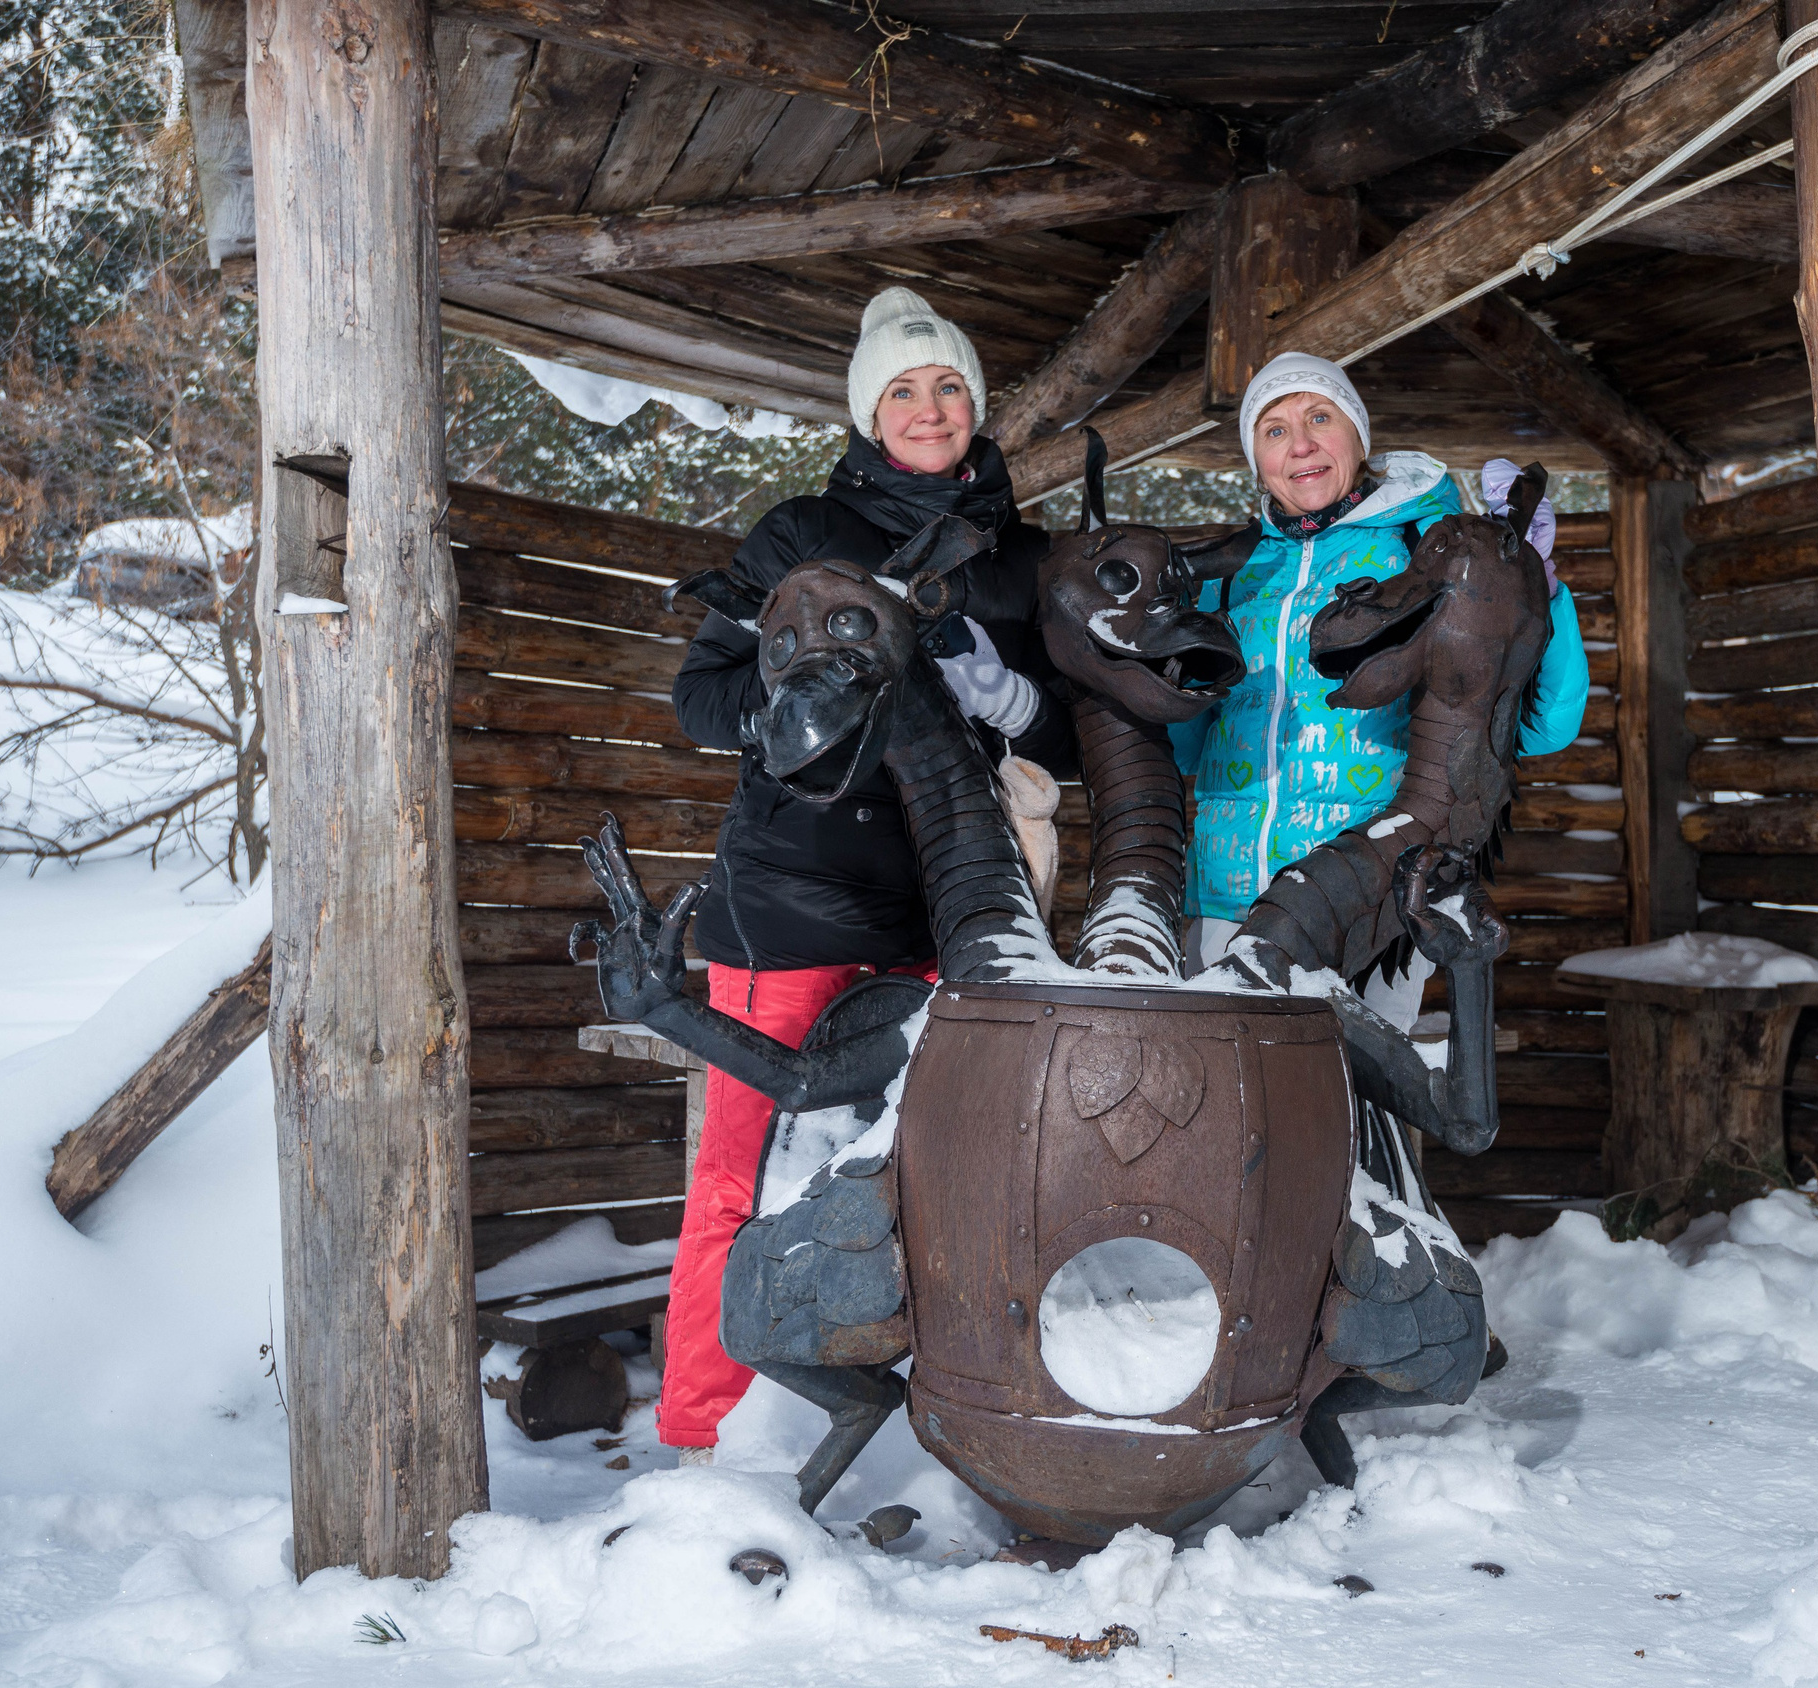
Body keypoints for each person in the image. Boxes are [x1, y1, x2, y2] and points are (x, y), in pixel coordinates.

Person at [657, 287, 1075, 1464]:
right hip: (793, 899)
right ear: (868, 412)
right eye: (903, 389)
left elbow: (1066, 737)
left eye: (947, 386)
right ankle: (705, 1439)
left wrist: (996, 687)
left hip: (962, 903)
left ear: (976, 404)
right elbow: (700, 699)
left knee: (966, 1170)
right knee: (737, 1171)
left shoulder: (1023, 558)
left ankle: (945, 1434)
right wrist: (803, 695)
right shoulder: (797, 536)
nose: (929, 407)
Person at [1174, 352, 1590, 1018]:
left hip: (1373, 904)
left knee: (1346, 1113)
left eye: (1319, 416)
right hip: (1223, 901)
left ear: (1358, 435)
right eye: (1274, 429)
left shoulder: (1424, 545)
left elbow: (1544, 725)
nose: (1301, 443)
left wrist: (1537, 594)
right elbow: (1188, 750)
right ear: (1255, 457)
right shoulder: (1234, 572)